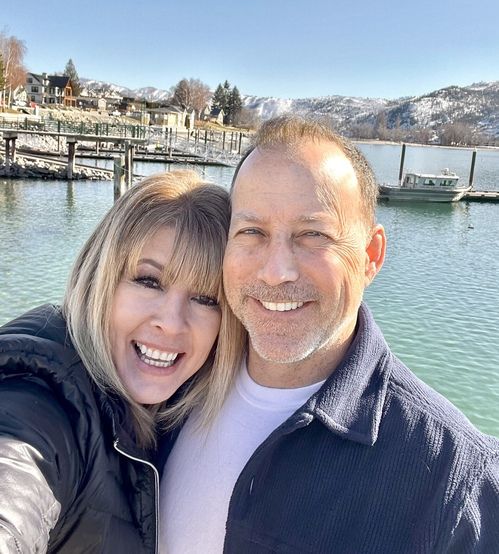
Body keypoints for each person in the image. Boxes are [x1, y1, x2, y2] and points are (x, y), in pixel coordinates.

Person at [160, 115, 499, 553]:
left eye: (313, 235)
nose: (276, 272)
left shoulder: (455, 483)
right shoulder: (168, 386)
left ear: (371, 256)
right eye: (252, 232)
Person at [0, 170, 245, 553]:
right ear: (100, 278)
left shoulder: (177, 413)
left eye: (206, 299)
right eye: (148, 281)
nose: (171, 322)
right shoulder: (39, 400)